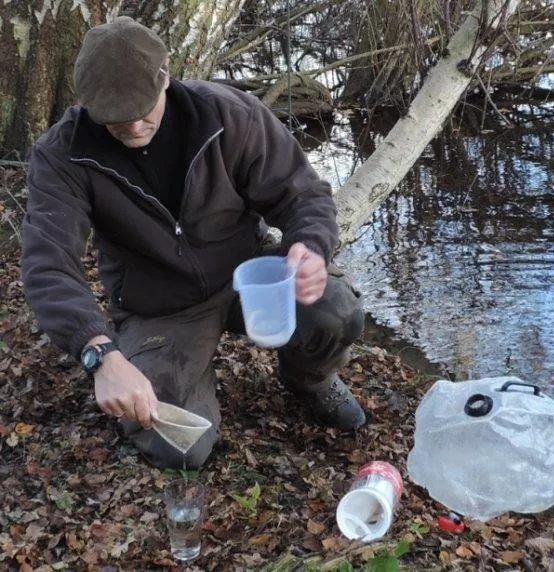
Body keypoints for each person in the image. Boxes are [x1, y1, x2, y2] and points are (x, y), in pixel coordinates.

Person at [21, 16, 366, 469]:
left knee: (336, 309)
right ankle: (176, 378)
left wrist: (311, 245)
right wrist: (100, 353)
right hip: (160, 305)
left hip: (248, 270)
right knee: (180, 444)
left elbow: (302, 194)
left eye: (144, 108)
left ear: (166, 75)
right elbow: (49, 266)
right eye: (115, 118)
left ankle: (313, 381)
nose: (134, 125)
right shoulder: (62, 155)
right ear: (86, 103)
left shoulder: (226, 114)